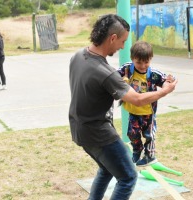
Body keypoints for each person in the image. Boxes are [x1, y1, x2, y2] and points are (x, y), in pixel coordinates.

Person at [69, 14, 178, 200]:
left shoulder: (78, 56)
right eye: (122, 41)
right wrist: (164, 91)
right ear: (112, 38)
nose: (122, 46)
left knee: (106, 169)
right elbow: (136, 99)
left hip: (79, 130)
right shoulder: (105, 73)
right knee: (128, 177)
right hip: (99, 134)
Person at [117, 41, 175, 167]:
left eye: (146, 62)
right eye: (139, 62)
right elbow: (113, 76)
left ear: (151, 59)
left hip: (148, 112)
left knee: (149, 135)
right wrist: (121, 80)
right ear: (132, 59)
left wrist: (168, 82)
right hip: (134, 110)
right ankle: (137, 150)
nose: (143, 66)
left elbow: (166, 81)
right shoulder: (127, 69)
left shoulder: (153, 74)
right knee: (132, 133)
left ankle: (149, 156)